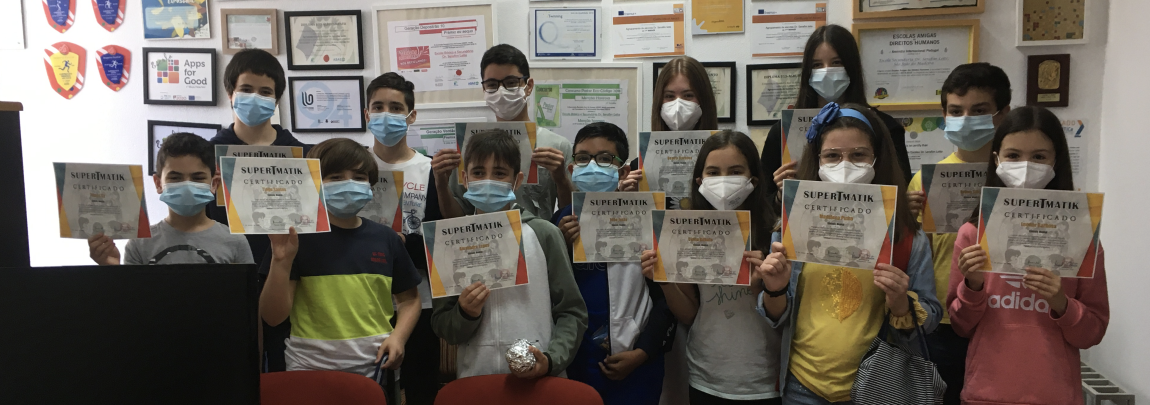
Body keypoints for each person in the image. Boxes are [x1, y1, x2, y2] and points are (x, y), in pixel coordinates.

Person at [755, 103, 940, 404]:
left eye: (858, 155)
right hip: (802, 387)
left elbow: (931, 317)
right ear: (817, 160)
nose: (845, 165)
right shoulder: (790, 231)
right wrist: (774, 289)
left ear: (876, 159)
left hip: (876, 389)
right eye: (832, 156)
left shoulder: (906, 237)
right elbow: (776, 318)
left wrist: (902, 304)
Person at [948, 106, 1109, 405]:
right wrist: (973, 286)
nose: (1025, 166)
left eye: (1039, 157)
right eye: (1013, 155)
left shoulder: (1082, 236)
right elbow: (960, 325)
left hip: (1055, 396)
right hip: (985, 393)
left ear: (1056, 161)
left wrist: (1062, 304)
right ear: (996, 159)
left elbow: (1092, 333)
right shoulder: (972, 235)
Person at [638, 131, 782, 405]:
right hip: (706, 375)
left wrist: (761, 287)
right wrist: (664, 280)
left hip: (764, 378)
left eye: (735, 171)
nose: (723, 180)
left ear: (753, 179)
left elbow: (785, 316)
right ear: (700, 181)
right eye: (713, 172)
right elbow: (690, 314)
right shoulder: (686, 233)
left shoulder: (774, 233)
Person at [431, 130, 588, 378]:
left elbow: (572, 312)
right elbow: (443, 326)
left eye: (500, 173)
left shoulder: (545, 234)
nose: (488, 181)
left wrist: (551, 360)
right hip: (476, 377)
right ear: (464, 178)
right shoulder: (449, 241)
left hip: (539, 379)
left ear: (517, 181)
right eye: (478, 173)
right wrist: (464, 313)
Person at [260, 138, 422, 378]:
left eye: (359, 177)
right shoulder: (293, 240)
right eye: (335, 177)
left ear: (371, 185)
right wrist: (280, 262)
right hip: (308, 368)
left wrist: (398, 337)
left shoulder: (387, 238)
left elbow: (410, 300)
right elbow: (272, 318)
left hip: (375, 366)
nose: (348, 184)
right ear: (314, 182)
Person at [904, 62, 1011, 405]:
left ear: (1003, 113)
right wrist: (907, 221)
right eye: (955, 111)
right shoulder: (925, 180)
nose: (965, 120)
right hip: (943, 322)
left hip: (1003, 318)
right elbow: (916, 258)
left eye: (978, 111)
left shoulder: (1017, 180)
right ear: (944, 115)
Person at [552, 122, 673, 405]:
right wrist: (561, 248)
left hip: (638, 361)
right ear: (572, 168)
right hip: (576, 358)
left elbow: (668, 298)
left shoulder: (650, 219)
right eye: (583, 158)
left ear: (622, 172)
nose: (593, 165)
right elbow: (550, 295)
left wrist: (643, 352)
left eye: (605, 158)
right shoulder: (560, 222)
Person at [206, 48, 310, 373]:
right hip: (225, 282)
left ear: (277, 99)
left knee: (281, 375)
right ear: (230, 93)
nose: (256, 97)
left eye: (266, 92)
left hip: (288, 281)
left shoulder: (303, 155)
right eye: (246, 89)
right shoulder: (206, 156)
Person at [362, 72, 446, 405]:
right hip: (362, 300)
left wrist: (403, 245)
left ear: (411, 116)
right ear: (367, 113)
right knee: (369, 390)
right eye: (378, 107)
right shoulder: (352, 168)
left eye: (396, 108)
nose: (386, 114)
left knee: (422, 388)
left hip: (420, 301)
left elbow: (440, 242)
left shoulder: (430, 170)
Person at [762, 25, 913, 203]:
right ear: (807, 72)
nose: (827, 71)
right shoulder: (781, 132)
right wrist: (780, 195)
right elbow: (763, 203)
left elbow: (899, 190)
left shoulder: (886, 127)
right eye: (817, 65)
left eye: (836, 63)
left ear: (851, 67)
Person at [435, 44, 573, 220]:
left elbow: (570, 213)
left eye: (511, 83)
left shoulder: (557, 146)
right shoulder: (469, 142)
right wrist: (440, 184)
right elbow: (457, 215)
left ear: (529, 86)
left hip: (538, 236)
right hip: (482, 236)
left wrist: (561, 179)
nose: (501, 91)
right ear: (484, 89)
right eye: (492, 85)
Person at [87, 133, 253, 266]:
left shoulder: (235, 241)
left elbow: (245, 296)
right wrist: (112, 270)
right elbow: (131, 297)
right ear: (158, 183)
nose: (187, 185)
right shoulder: (140, 244)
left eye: (197, 178)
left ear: (214, 184)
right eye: (175, 178)